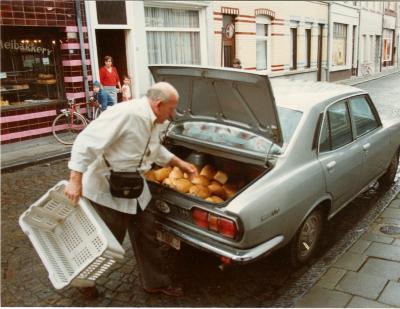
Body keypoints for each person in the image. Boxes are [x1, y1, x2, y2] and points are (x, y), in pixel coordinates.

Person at [64, 82, 198, 299]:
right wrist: (74, 179)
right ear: (159, 104)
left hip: (135, 188)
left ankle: (156, 282)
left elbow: (154, 149)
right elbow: (86, 141)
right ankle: (83, 279)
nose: (173, 114)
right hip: (106, 188)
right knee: (107, 241)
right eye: (172, 108)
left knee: (147, 232)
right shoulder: (126, 114)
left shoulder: (155, 121)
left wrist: (179, 163)